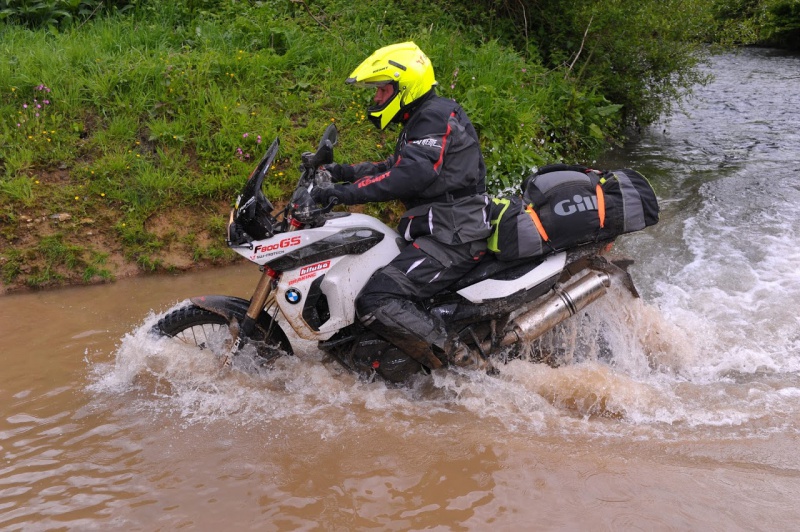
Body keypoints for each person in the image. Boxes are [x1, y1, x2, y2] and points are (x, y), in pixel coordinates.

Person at [311, 41, 491, 370]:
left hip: (453, 236)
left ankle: (461, 365)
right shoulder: (425, 119)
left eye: (382, 90)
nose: (377, 98)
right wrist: (339, 173)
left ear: (404, 87)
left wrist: (346, 194)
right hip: (443, 229)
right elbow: (393, 166)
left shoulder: (433, 117)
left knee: (377, 298)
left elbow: (411, 174)